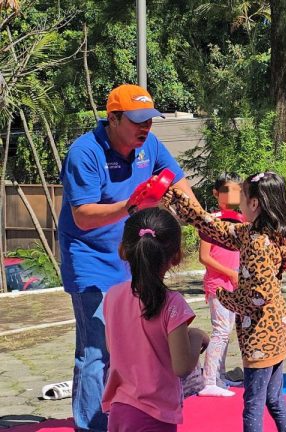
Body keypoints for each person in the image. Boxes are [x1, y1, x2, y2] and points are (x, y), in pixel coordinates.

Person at [58, 84, 195, 431]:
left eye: (149, 119)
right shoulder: (84, 153)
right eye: (137, 120)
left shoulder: (150, 144)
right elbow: (82, 216)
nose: (145, 127)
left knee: (134, 345)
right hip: (90, 259)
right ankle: (91, 425)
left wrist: (204, 221)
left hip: (134, 258)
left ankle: (127, 411)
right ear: (114, 118)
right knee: (96, 349)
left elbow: (178, 182)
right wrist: (131, 206)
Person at [162, 172, 286, 432]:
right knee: (274, 398)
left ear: (254, 203)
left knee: (253, 404)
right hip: (277, 328)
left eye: (242, 195)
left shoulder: (257, 242)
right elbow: (214, 228)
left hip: (260, 336)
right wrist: (179, 199)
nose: (239, 200)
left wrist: (225, 297)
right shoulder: (269, 234)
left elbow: (258, 295)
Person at [101, 207, 209, 432]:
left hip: (120, 410)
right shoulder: (172, 303)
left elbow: (113, 348)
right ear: (177, 256)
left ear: (123, 251)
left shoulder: (113, 296)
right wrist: (197, 337)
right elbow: (182, 366)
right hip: (155, 416)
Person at [198, 173, 242, 397]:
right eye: (228, 191)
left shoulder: (241, 219)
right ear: (216, 193)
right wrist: (230, 273)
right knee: (221, 331)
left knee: (227, 331)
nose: (233, 195)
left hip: (234, 284)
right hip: (219, 284)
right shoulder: (210, 221)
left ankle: (219, 376)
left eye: (237, 191)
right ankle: (209, 380)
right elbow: (204, 256)